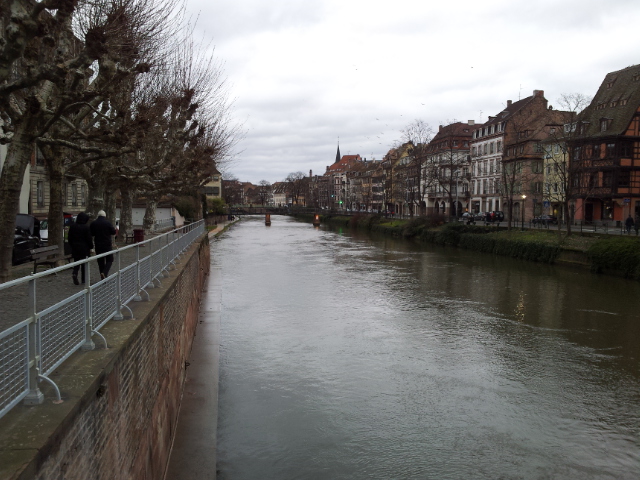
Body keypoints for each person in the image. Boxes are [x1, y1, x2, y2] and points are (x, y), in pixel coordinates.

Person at [68, 212, 93, 285]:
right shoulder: (86, 227)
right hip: (84, 248)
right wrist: (91, 246)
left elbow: (70, 238)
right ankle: (83, 279)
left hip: (75, 247)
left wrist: (72, 245)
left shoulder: (72, 226)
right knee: (84, 264)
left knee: (76, 262)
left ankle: (75, 273)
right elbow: (89, 238)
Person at [90, 210, 116, 279]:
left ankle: (102, 276)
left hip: (98, 244)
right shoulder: (108, 223)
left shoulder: (94, 223)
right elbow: (113, 232)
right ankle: (104, 272)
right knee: (110, 259)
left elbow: (91, 233)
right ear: (105, 216)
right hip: (107, 244)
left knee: (100, 261)